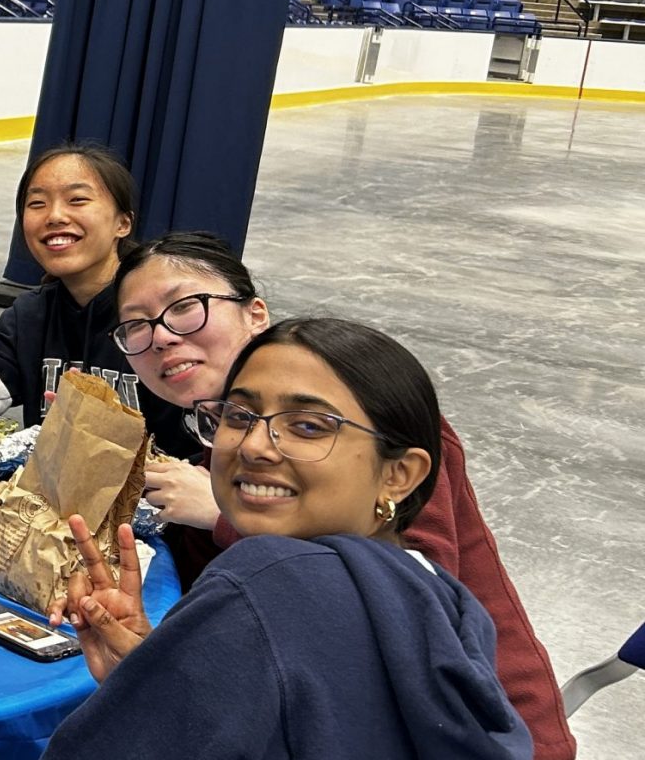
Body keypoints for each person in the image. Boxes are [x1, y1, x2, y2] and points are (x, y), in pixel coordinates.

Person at [106, 232, 575, 758]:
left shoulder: (380, 421)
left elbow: (403, 608)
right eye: (137, 326)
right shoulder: (205, 451)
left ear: (254, 312)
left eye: (185, 307)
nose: (163, 336)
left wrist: (220, 516)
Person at [43, 318, 531, 759]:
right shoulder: (442, 596)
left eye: (307, 426)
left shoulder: (266, 580)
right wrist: (163, 679)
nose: (254, 445)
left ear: (400, 473)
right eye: (239, 416)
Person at [0, 142, 194, 455]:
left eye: (77, 200)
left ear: (123, 223)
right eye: (37, 204)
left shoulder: (163, 317)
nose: (55, 216)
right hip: (46, 500)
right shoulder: (32, 316)